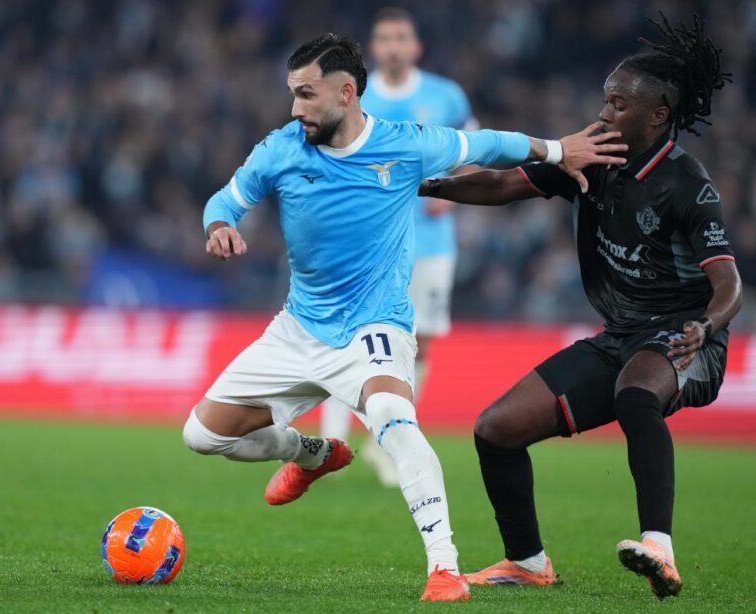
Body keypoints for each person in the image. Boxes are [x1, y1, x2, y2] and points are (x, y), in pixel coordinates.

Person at [182, 32, 626, 602]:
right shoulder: (281, 148)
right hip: (298, 327)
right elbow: (226, 199)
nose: (295, 108)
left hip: (375, 326)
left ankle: (444, 568)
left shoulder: (405, 144)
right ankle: (311, 453)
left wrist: (559, 151)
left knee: (393, 413)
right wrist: (219, 226)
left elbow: (488, 145)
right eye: (292, 94)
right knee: (201, 434)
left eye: (306, 95)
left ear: (346, 93)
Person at [418, 14, 741, 600]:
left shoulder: (687, 184)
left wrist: (705, 328)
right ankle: (527, 560)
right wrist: (422, 184)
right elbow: (499, 186)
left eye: (618, 105)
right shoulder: (590, 158)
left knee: (636, 393)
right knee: (495, 429)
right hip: (621, 334)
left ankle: (660, 549)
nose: (604, 113)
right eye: (605, 100)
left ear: (657, 115)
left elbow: (729, 286)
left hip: (685, 339)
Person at [320, 7, 478, 487]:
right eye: (384, 38)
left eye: (401, 37)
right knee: (345, 335)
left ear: (415, 47)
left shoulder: (445, 96)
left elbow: (475, 152)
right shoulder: (354, 97)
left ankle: (385, 438)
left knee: (420, 342)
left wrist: (452, 193)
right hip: (366, 245)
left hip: (429, 244)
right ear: (373, 48)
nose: (392, 45)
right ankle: (331, 442)